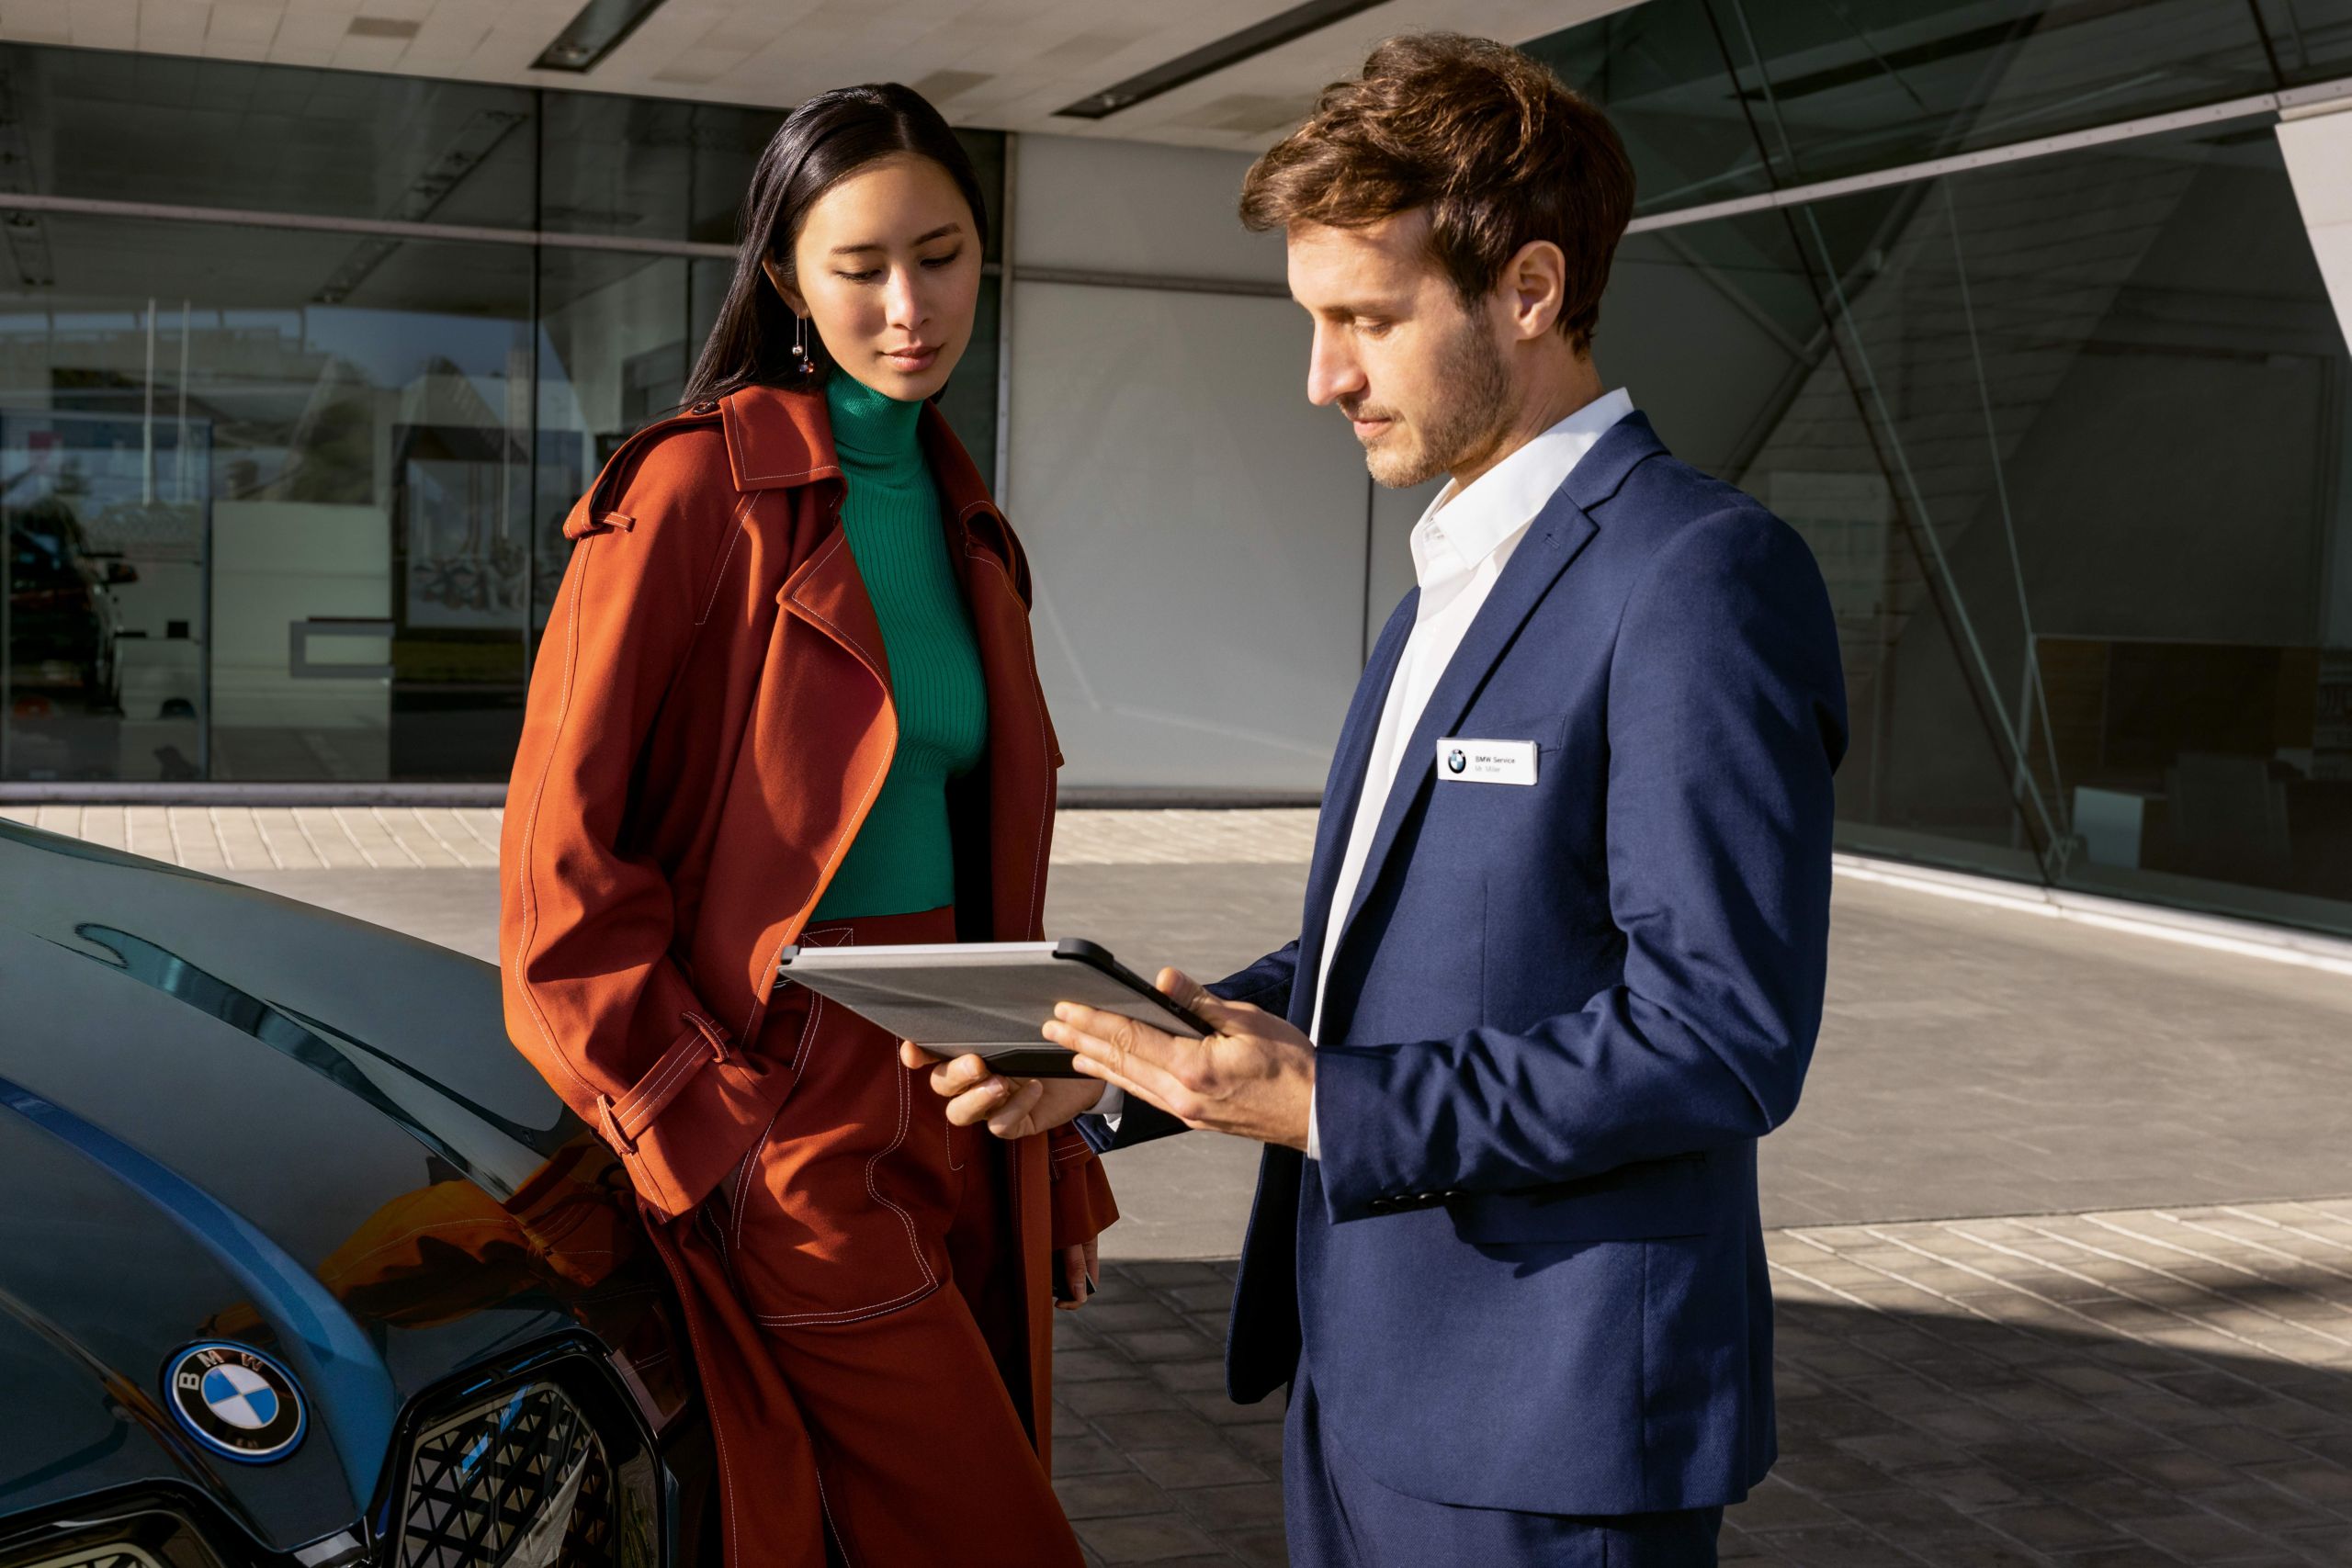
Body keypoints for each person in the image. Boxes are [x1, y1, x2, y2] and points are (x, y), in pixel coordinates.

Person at [919, 34, 1847, 1568]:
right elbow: (1375, 956)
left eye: (1365, 318)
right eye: (1312, 320)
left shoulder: (1699, 577)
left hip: (1549, 1432)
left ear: (1531, 291)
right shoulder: (1444, 587)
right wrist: (1134, 1066)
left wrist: (1334, 1109)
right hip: (1365, 1384)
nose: (1320, 377)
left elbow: (1722, 1038)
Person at [498, 83, 1114, 1568]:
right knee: (993, 1538)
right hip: (786, 1111)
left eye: (945, 253)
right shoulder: (691, 492)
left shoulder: (971, 521)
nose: (912, 305)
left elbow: (986, 870)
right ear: (785, 276)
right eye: (861, 265)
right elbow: (556, 885)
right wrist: (715, 1127)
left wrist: (1056, 1129)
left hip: (968, 1093)